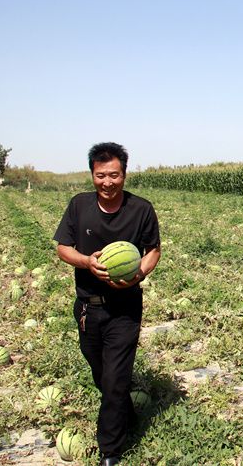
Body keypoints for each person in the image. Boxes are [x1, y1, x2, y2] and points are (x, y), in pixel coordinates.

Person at [54, 142, 161, 466]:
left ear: (124, 174)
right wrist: (87, 261)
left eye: (114, 175)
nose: (108, 182)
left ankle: (110, 453)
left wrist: (139, 271)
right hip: (89, 307)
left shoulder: (141, 209)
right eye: (101, 175)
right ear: (92, 175)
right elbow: (63, 247)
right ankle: (126, 415)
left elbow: (153, 250)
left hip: (125, 307)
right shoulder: (79, 206)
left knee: (115, 379)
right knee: (102, 375)